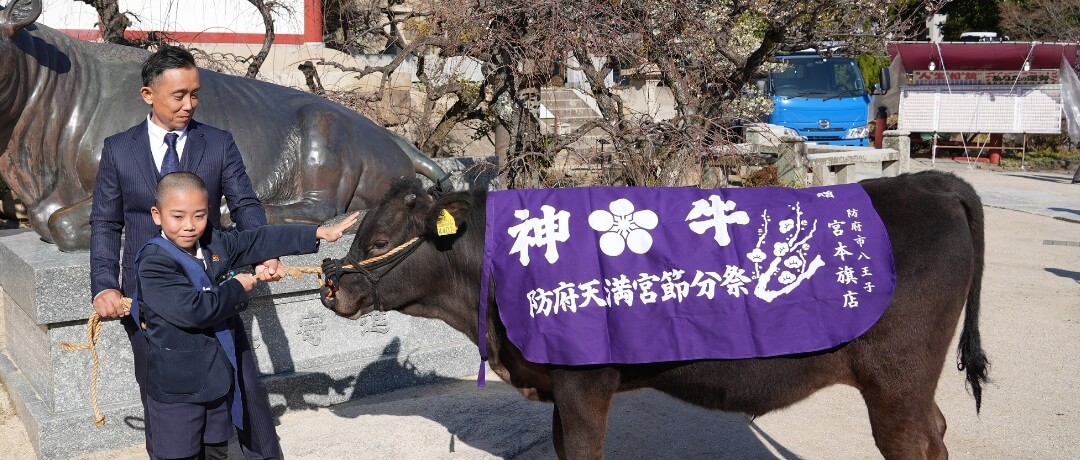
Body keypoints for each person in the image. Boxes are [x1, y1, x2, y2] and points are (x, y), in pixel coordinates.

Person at [89, 45, 285, 458]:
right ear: (148, 95)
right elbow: (106, 223)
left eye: (195, 94)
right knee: (161, 394)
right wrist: (104, 285)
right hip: (146, 298)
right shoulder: (119, 149)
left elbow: (245, 203)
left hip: (211, 289)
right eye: (178, 95)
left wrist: (264, 249)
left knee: (236, 378)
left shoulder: (217, 143)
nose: (189, 104)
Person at [137, 172, 359, 460]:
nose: (189, 226)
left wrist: (317, 233)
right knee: (179, 455)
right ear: (157, 215)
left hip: (216, 381)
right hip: (178, 389)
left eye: (199, 216)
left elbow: (255, 240)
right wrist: (238, 285)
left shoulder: (213, 243)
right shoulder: (154, 262)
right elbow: (195, 310)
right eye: (177, 217)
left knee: (216, 451)